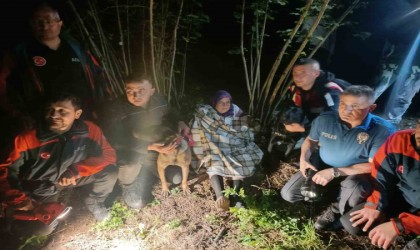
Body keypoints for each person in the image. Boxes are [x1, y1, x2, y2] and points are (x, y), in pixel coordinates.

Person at [0, 93, 118, 237]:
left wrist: (76, 170)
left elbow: (108, 155)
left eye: (62, 111)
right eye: (50, 110)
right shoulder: (27, 137)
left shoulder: (89, 130)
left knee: (109, 172)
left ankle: (95, 201)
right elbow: (3, 169)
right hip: (42, 186)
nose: (54, 115)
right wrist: (19, 199)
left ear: (77, 114)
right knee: (41, 230)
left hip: (70, 176)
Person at [281, 85, 395, 231]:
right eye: (343, 104)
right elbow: (310, 141)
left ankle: (335, 210)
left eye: (354, 106)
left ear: (371, 108)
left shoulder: (382, 131)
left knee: (356, 188)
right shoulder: (326, 119)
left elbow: (374, 165)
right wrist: (304, 159)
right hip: (323, 166)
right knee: (289, 193)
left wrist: (335, 172)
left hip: (355, 174)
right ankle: (319, 196)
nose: (346, 111)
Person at [0, 1, 113, 126]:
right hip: (44, 120)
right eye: (37, 22)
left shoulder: (77, 48)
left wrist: (105, 104)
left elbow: (99, 74)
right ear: (31, 25)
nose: (44, 26)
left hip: (85, 115)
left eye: (49, 21)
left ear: (60, 24)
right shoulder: (19, 54)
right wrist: (17, 114)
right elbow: (3, 86)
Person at [100, 74, 189, 209]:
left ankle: (150, 169)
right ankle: (127, 186)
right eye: (130, 91)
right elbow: (113, 139)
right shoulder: (117, 108)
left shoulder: (159, 100)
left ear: (152, 91)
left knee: (176, 177)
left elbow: (171, 112)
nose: (136, 95)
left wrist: (180, 121)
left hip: (157, 150)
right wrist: (149, 146)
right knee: (131, 162)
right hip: (131, 151)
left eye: (141, 91)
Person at [340, 119, 420, 250]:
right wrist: (375, 205)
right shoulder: (400, 140)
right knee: (353, 224)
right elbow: (381, 174)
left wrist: (402, 224)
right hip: (405, 198)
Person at [190, 90, 263, 210]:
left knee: (240, 160)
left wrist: (242, 124)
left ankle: (234, 196)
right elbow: (199, 117)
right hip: (214, 145)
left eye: (227, 102)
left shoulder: (234, 109)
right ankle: (220, 196)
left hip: (233, 144)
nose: (225, 105)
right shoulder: (208, 112)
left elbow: (244, 118)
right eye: (221, 102)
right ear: (214, 103)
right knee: (214, 162)